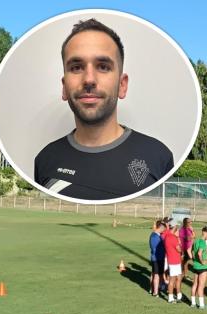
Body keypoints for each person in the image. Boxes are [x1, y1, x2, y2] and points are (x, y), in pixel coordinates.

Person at [34, 19, 173, 200]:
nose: (89, 79)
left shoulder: (158, 156)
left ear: (122, 85)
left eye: (103, 67)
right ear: (64, 87)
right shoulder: (45, 159)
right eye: (76, 67)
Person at [191, 227, 207, 309]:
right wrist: (202, 262)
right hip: (202, 267)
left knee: (195, 284)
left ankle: (193, 303)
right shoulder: (203, 242)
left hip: (196, 266)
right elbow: (199, 253)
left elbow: (192, 252)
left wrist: (194, 260)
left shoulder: (196, 241)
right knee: (201, 286)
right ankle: (202, 305)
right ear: (205, 233)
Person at [164, 225, 183, 304]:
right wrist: (180, 244)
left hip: (175, 261)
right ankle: (170, 298)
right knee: (172, 280)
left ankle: (179, 296)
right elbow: (179, 249)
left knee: (179, 278)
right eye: (178, 231)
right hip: (174, 262)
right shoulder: (173, 238)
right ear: (175, 230)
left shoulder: (167, 236)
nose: (179, 233)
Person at [149, 220, 166, 297]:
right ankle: (155, 292)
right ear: (161, 228)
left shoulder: (158, 235)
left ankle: (153, 289)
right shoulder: (154, 236)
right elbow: (154, 248)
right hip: (157, 258)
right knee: (156, 275)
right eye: (163, 229)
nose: (163, 231)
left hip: (159, 258)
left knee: (155, 274)